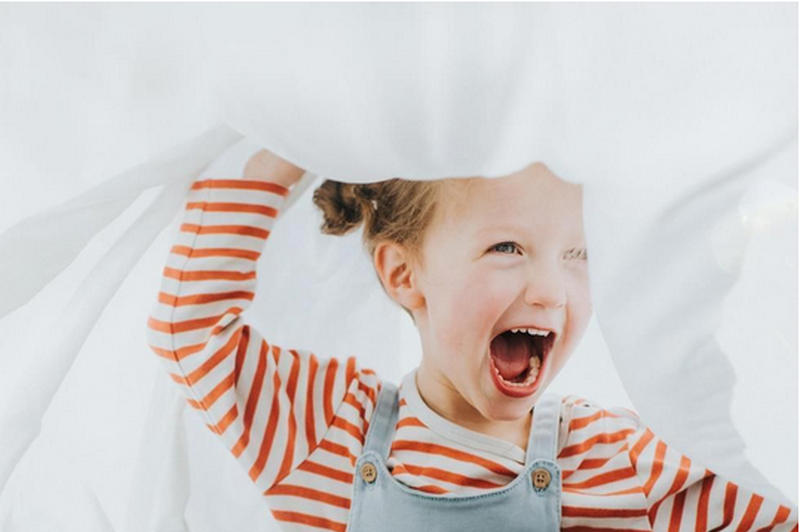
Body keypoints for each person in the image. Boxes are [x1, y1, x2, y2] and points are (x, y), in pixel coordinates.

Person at [145, 145, 797, 532]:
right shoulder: (330, 430)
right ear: (404, 274)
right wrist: (290, 148)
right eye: (507, 247)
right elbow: (189, 329)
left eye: (578, 253)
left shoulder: (619, 459)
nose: (551, 290)